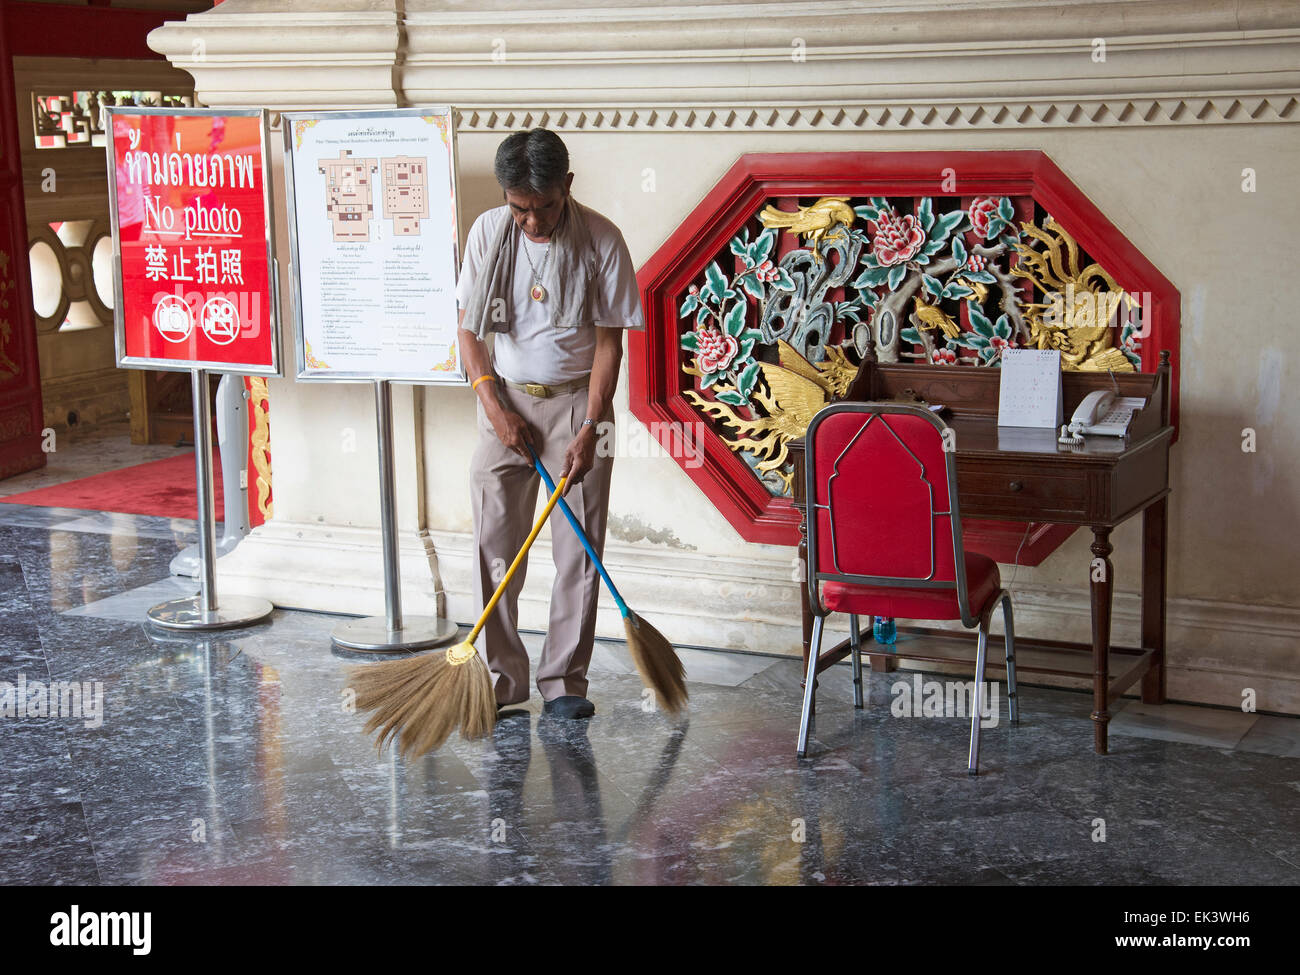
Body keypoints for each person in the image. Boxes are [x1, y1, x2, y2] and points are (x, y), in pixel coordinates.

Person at [456, 128, 643, 719]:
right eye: (520, 209)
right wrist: (496, 409)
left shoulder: (603, 241)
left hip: (579, 405)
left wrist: (590, 428)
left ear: (568, 185)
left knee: (578, 549)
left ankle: (564, 680)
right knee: (495, 544)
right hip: (503, 401)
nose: (532, 223)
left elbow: (609, 346)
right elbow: (467, 331)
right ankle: (500, 677)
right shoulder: (489, 231)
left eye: (544, 207)